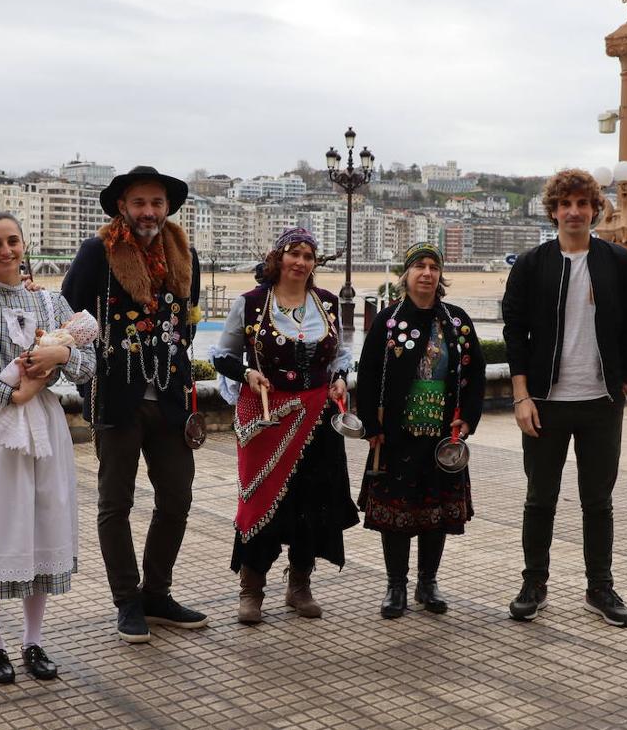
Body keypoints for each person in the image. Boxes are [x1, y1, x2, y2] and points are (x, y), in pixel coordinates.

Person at [60, 166, 207, 643]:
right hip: (116, 397)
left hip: (170, 399)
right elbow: (70, 315)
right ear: (122, 206)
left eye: (156, 203)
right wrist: (89, 375)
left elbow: (187, 322)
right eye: (139, 203)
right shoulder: (97, 251)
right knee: (115, 503)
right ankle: (127, 601)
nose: (148, 212)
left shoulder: (185, 254)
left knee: (177, 499)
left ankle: (157, 594)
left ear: (167, 208)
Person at [0, 213, 95, 683]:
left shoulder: (50, 301)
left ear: (24, 244)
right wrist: (9, 394)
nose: (5, 250)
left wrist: (63, 354)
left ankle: (33, 639)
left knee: (42, 520)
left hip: (43, 424)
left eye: (12, 240)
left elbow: (88, 363)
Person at [502, 167, 627, 628]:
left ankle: (599, 587)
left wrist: (625, 378)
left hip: (601, 402)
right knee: (539, 499)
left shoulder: (617, 262)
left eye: (583, 203)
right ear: (553, 211)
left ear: (594, 209)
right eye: (565, 204)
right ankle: (534, 584)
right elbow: (514, 333)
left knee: (598, 500)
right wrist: (521, 396)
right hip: (545, 402)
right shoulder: (532, 265)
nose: (574, 212)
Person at [209, 227, 359, 625]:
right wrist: (246, 374)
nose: (301, 262)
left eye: (308, 256)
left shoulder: (326, 303)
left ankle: (299, 586)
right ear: (279, 258)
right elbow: (221, 355)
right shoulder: (250, 303)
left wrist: (340, 378)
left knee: (313, 501)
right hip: (268, 417)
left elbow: (340, 355)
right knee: (260, 500)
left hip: (318, 418)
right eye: (294, 254)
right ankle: (251, 590)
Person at [356, 242, 486, 618]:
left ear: (440, 275)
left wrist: (468, 417)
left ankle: (427, 583)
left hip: (444, 437)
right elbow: (367, 374)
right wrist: (371, 425)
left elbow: (476, 372)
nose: (427, 273)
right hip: (396, 435)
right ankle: (395, 586)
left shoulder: (457, 322)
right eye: (419, 266)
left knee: (438, 512)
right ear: (407, 274)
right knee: (395, 513)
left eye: (433, 267)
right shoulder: (388, 320)